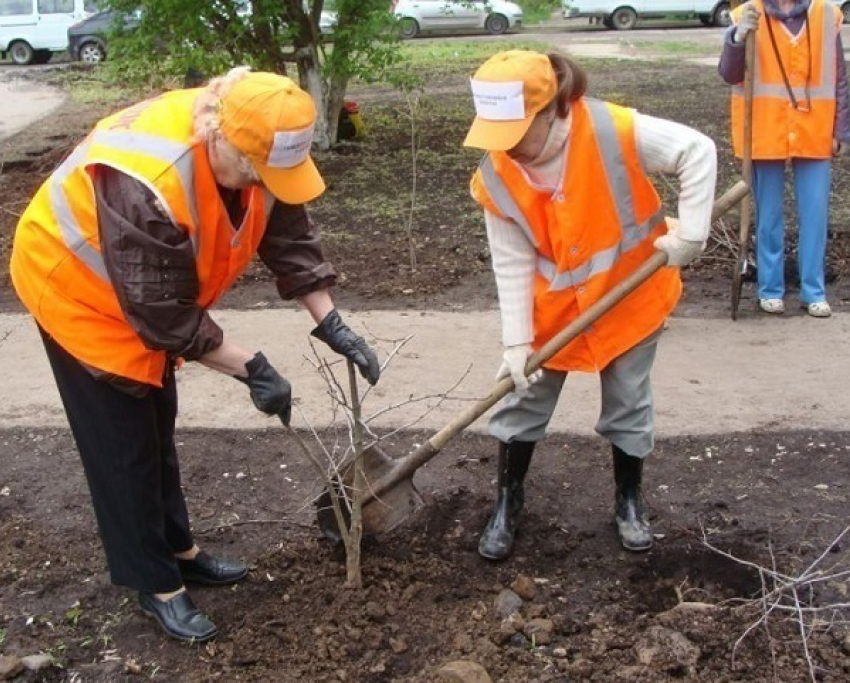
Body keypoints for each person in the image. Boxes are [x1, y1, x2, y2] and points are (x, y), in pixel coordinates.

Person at [9, 67, 381, 642]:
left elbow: (286, 231)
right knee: (124, 445)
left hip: (145, 294)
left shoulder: (255, 137)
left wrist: (330, 321)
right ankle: (155, 583)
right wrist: (252, 368)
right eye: (257, 173)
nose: (263, 183)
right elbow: (165, 316)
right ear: (221, 140)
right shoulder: (148, 180)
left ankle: (180, 551)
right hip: (78, 292)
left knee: (157, 424)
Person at [463, 50, 717, 560]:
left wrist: (691, 234)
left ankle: (629, 501)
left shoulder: (610, 129)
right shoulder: (497, 175)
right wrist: (516, 344)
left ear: (551, 109)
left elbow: (698, 150)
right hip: (555, 310)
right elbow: (511, 264)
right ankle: (508, 502)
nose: (505, 148)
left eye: (514, 133)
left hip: (631, 295)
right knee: (523, 399)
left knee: (628, 399)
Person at [719, 0, 850, 318]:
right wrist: (737, 38)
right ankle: (770, 289)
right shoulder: (746, 14)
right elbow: (729, 74)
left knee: (815, 215)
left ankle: (813, 291)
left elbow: (840, 78)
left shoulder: (826, 14)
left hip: (815, 128)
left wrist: (841, 130)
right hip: (764, 129)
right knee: (769, 216)